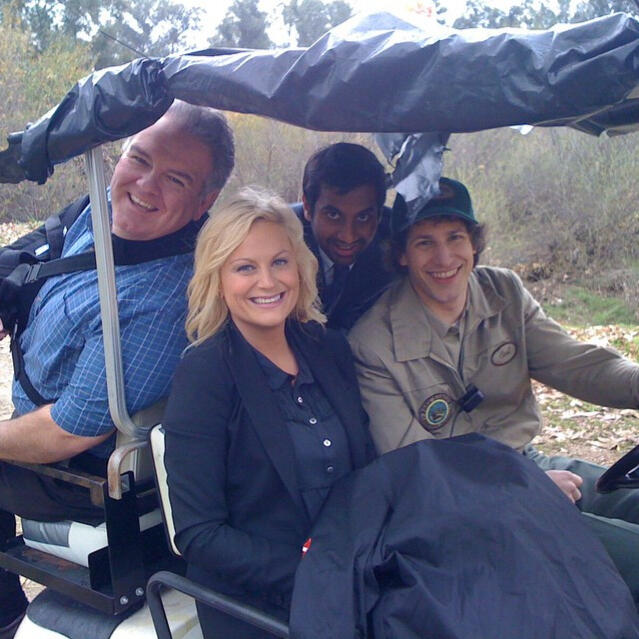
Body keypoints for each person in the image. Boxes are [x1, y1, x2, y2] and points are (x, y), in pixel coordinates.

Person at [0, 100, 234, 636]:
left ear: (205, 201)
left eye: (175, 179)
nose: (144, 185)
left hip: (76, 472)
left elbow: (69, 432)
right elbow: (47, 243)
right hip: (40, 420)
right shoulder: (106, 203)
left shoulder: (163, 299)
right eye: (139, 159)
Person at [348, 176, 639, 600]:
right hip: (460, 507)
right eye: (425, 242)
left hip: (528, 460)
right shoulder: (373, 342)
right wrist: (522, 491)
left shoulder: (503, 292)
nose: (444, 257)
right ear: (402, 254)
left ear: (474, 243)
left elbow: (579, 364)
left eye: (455, 237)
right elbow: (413, 467)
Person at [162, 188, 375, 638]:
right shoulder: (204, 374)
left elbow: (367, 472)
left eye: (279, 262)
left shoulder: (327, 347)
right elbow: (200, 534)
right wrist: (315, 571)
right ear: (218, 279)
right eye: (245, 267)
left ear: (299, 266)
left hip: (356, 576)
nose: (268, 281)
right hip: (260, 603)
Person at [292, 142, 395, 330]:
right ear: (307, 207)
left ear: (379, 214)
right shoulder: (281, 239)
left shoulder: (397, 241)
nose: (348, 236)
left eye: (363, 217)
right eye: (333, 215)